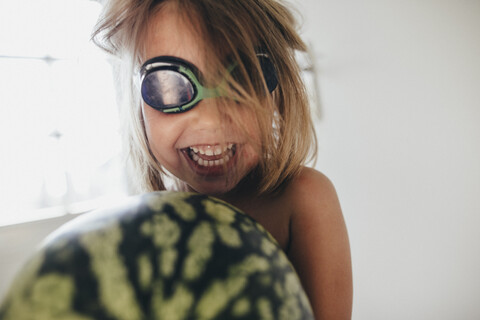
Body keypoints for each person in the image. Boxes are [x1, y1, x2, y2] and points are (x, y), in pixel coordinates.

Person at [92, 0, 352, 318]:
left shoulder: (304, 199)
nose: (211, 121)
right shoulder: (151, 226)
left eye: (242, 78)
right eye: (169, 85)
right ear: (138, 105)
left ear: (278, 93)